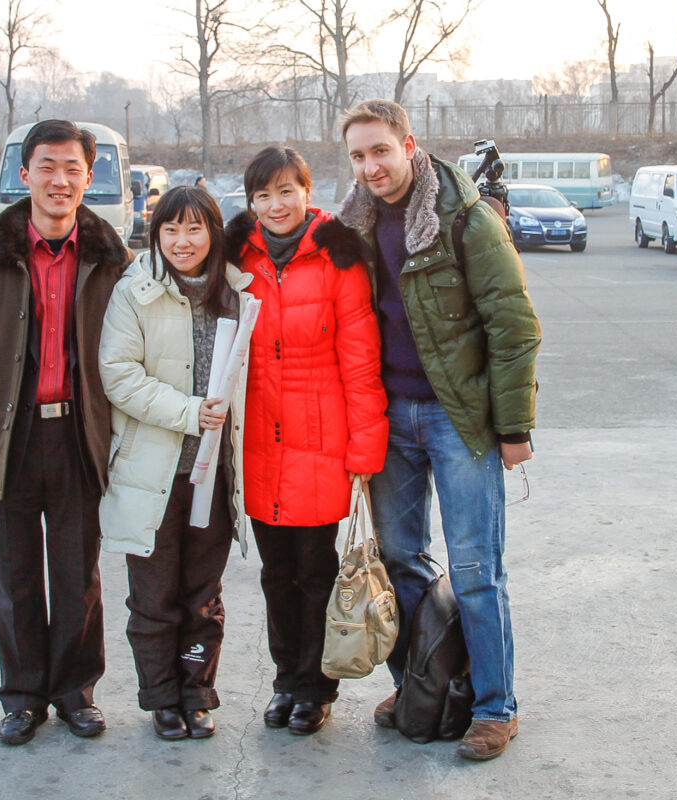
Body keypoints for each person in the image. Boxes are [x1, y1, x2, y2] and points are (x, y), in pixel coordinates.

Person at [337, 99, 540, 761]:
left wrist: (513, 427)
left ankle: (493, 706)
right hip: (388, 418)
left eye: (380, 151)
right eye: (359, 156)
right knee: (400, 563)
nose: (370, 166)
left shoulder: (465, 218)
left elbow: (513, 327)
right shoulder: (355, 227)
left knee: (478, 569)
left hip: (460, 420)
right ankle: (421, 685)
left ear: (409, 145)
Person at [0, 120, 132, 746]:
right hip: (10, 437)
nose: (60, 180)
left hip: (80, 434)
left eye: (72, 168)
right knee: (16, 574)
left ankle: (75, 692)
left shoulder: (112, 260)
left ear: (89, 175)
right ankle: (22, 695)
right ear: (24, 176)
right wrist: (5, 401)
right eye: (46, 167)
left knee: (79, 574)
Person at [225, 145, 388, 736]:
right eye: (263, 195)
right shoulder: (236, 258)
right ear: (251, 202)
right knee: (275, 574)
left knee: (316, 573)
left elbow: (360, 362)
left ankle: (316, 688)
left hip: (321, 441)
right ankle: (284, 680)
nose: (276, 205)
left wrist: (365, 450)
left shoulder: (339, 258)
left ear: (307, 192)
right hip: (259, 443)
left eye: (287, 191)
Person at [98, 186, 253, 741]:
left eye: (194, 229)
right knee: (154, 593)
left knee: (202, 594)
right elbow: (118, 374)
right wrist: (189, 413)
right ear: (155, 234)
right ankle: (162, 698)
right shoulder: (134, 293)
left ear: (213, 232)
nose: (183, 241)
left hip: (216, 475)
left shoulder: (240, 293)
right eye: (171, 230)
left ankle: (197, 691)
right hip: (153, 471)